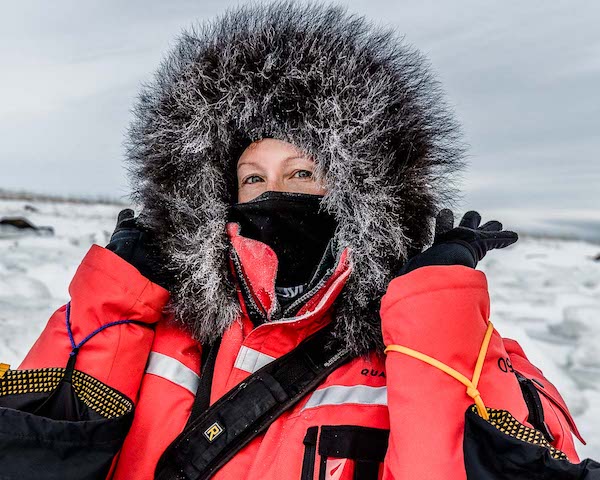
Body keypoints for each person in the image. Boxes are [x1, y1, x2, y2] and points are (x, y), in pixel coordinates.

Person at [19, 2, 584, 479]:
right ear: (217, 195)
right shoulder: (163, 327)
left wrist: (438, 319)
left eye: (302, 174)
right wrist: (111, 297)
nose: (275, 194)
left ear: (361, 189)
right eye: (254, 179)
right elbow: (33, 450)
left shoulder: (426, 350)